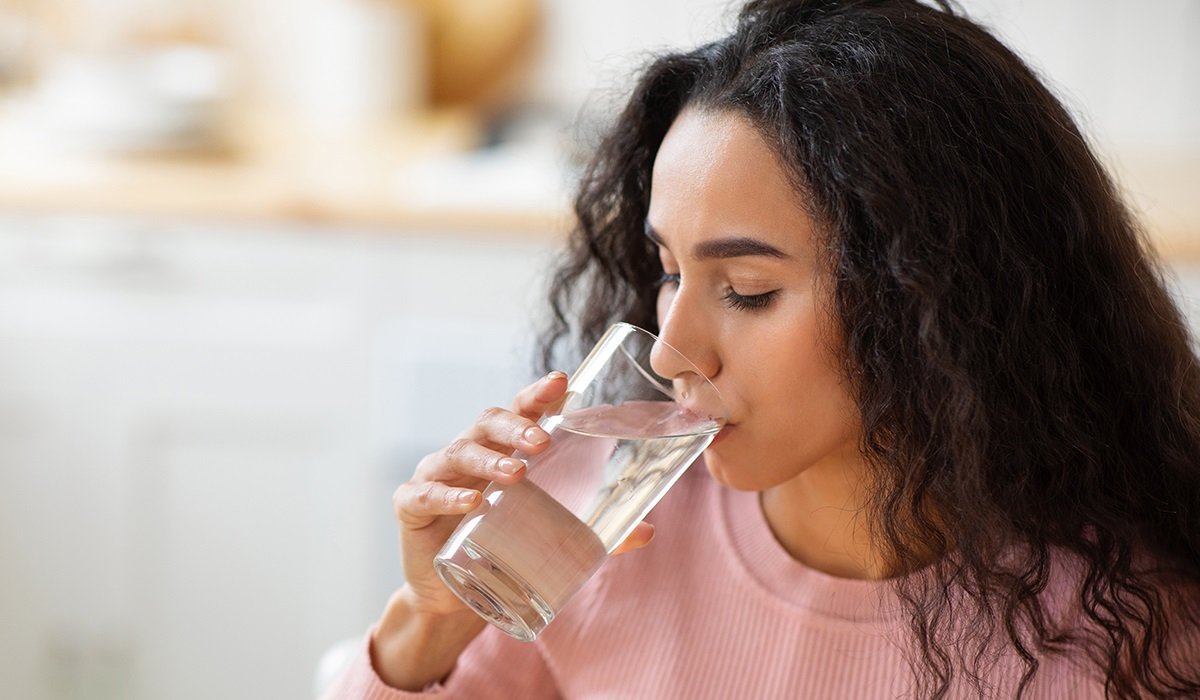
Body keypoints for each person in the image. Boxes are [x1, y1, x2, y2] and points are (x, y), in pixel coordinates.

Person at [323, 0, 1200, 697]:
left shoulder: (1127, 625)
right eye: (668, 271)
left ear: (937, 295)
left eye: (747, 291)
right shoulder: (586, 532)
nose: (671, 353)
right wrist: (427, 625)